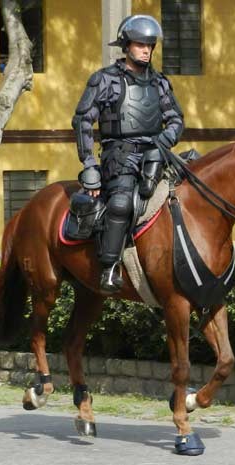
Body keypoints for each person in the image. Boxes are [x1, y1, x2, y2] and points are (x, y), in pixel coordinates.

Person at [72, 14, 185, 293]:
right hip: (118, 157)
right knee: (121, 203)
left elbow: (176, 120)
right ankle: (109, 268)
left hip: (156, 155)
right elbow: (83, 121)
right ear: (126, 45)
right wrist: (89, 165)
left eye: (150, 44)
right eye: (140, 44)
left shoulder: (160, 83)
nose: (146, 49)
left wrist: (161, 143)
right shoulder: (104, 80)